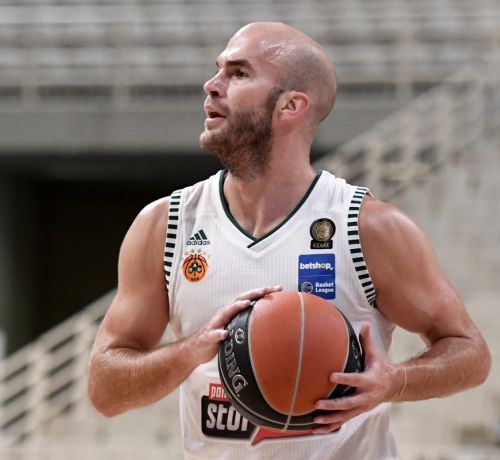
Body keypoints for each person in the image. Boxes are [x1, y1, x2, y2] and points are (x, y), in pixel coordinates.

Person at [88, 22, 491, 459]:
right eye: (218, 69)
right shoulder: (166, 225)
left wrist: (396, 381)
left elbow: (470, 352)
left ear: (291, 105)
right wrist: (188, 352)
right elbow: (105, 390)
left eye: (239, 73)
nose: (212, 85)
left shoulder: (368, 227)